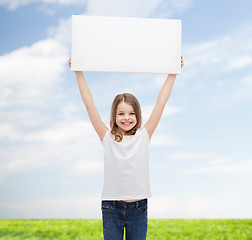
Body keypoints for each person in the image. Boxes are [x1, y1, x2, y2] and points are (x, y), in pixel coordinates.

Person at [68, 56, 184, 240]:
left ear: (137, 115)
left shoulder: (144, 136)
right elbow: (89, 104)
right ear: (114, 116)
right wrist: (78, 72)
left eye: (131, 113)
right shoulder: (107, 137)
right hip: (111, 208)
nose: (126, 118)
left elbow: (160, 103)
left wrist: (173, 73)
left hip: (138, 208)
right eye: (121, 113)